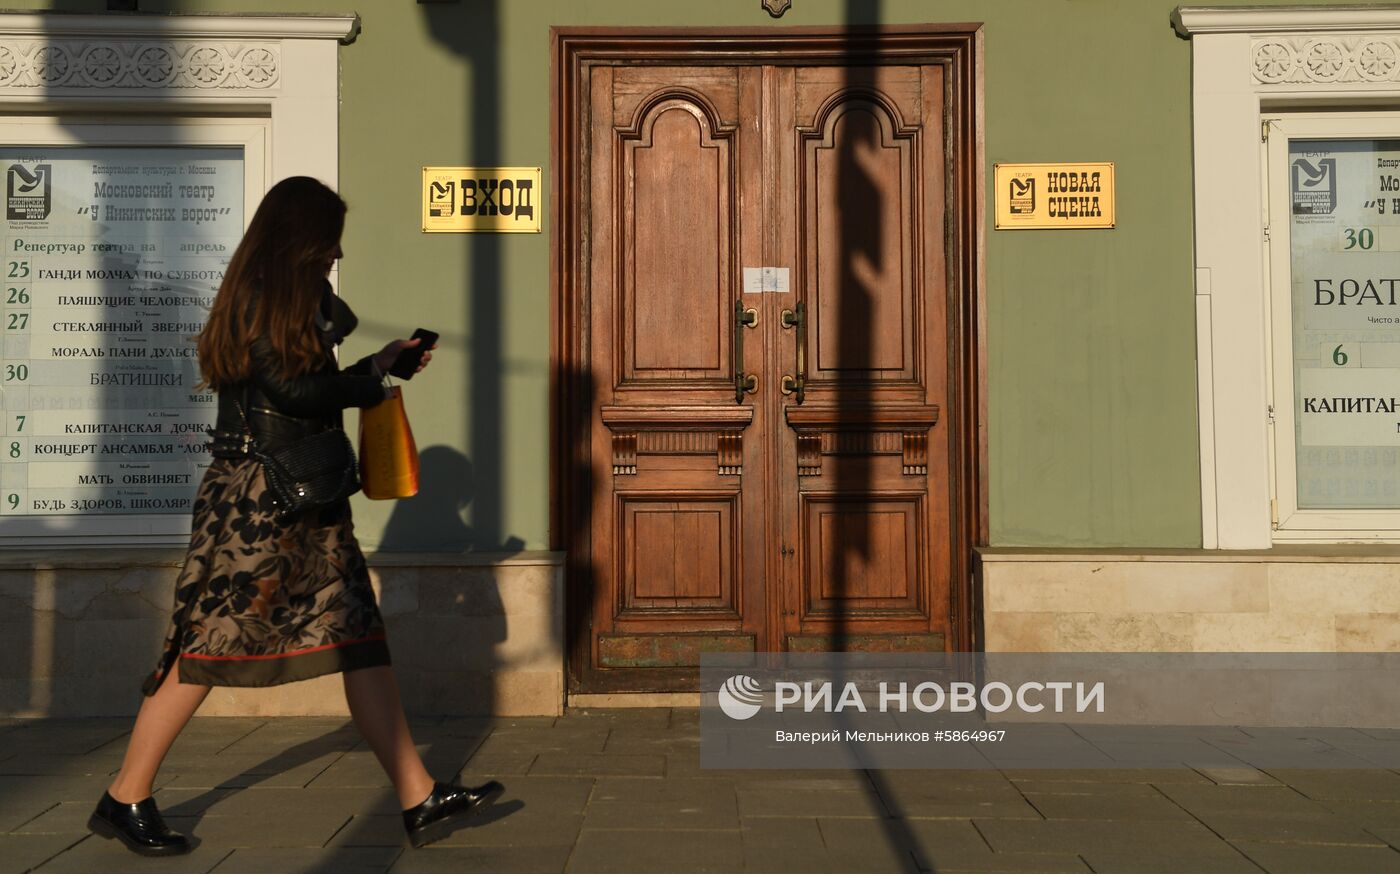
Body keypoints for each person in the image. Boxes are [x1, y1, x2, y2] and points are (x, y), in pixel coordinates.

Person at [86, 176, 502, 856]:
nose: (336, 253)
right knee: (210, 645)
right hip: (258, 504)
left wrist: (376, 363)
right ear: (302, 238)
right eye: (329, 240)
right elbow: (292, 389)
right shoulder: (256, 297)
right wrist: (368, 382)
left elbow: (300, 385)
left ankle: (418, 795)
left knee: (359, 639)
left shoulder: (282, 301)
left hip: (303, 497)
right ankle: (125, 793)